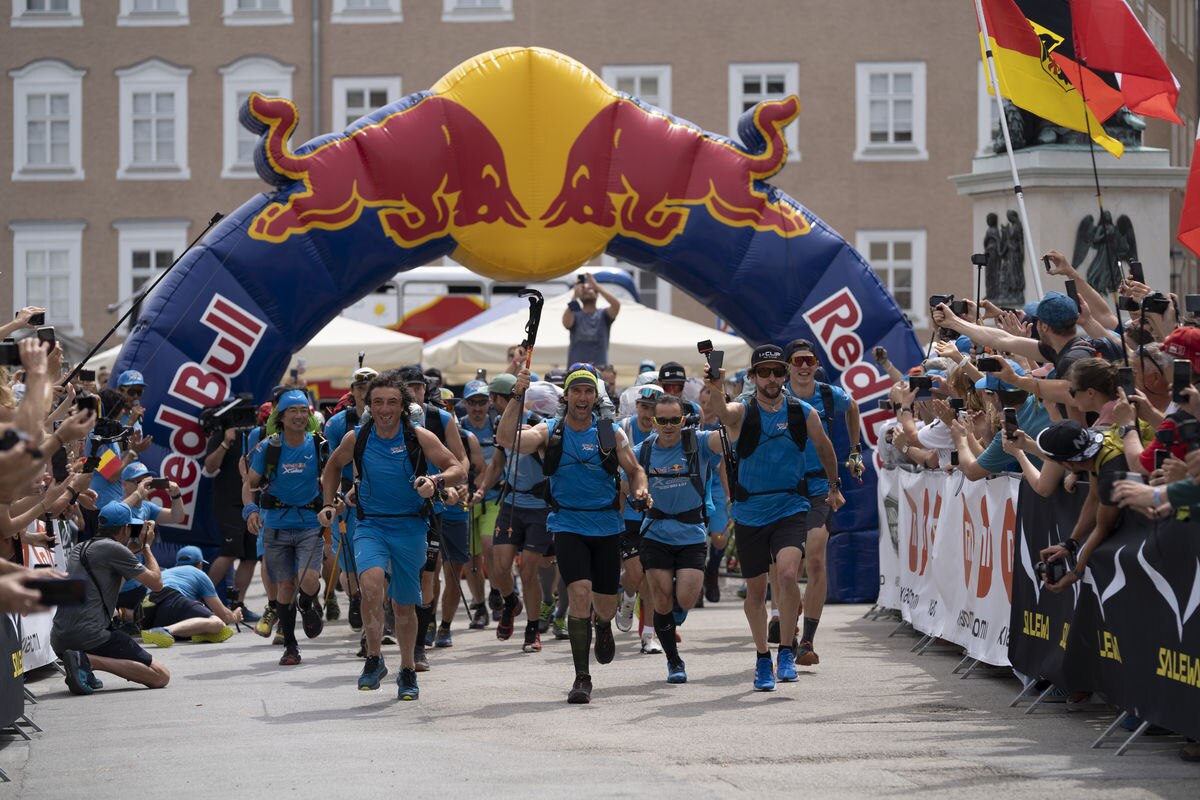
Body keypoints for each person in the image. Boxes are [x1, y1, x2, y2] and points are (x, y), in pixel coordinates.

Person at [496, 366, 649, 704]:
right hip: (567, 525)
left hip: (608, 526)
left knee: (604, 605)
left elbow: (635, 470)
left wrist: (640, 491)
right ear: (566, 396)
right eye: (576, 391)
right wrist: (516, 397)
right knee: (579, 593)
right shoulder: (551, 431)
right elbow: (508, 440)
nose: (582, 397)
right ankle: (582, 677)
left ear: (596, 397)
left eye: (588, 392)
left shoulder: (610, 434)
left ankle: (604, 625)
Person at [701, 344, 843, 691]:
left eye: (777, 371)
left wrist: (834, 486)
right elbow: (721, 410)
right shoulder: (743, 411)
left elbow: (825, 447)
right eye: (764, 372)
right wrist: (716, 385)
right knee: (755, 591)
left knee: (789, 573)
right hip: (750, 511)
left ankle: (786, 651)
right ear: (753, 377)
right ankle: (762, 656)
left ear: (784, 375)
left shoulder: (802, 411)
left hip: (790, 507)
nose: (772, 378)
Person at [320, 371, 465, 701]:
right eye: (378, 402)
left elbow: (458, 467)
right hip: (370, 525)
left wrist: (436, 481)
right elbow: (331, 467)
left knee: (403, 606)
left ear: (403, 406)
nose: (385, 409)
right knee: (370, 584)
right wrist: (328, 504)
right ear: (368, 406)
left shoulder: (419, 436)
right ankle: (373, 658)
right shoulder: (356, 437)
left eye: (392, 402)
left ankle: (407, 668)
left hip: (411, 527)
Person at [776, 338, 863, 666]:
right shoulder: (776, 396)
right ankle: (784, 620)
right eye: (797, 361)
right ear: (788, 366)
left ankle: (807, 640)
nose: (803, 367)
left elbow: (852, 407)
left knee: (814, 558)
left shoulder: (829, 395)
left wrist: (854, 450)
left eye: (809, 361)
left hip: (819, 486)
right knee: (785, 567)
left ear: (816, 364)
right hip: (781, 488)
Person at [631, 393, 726, 683]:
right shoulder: (643, 450)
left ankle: (673, 616)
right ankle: (674, 660)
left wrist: (719, 394)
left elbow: (728, 437)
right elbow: (629, 477)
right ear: (653, 421)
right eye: (663, 420)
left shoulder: (698, 442)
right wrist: (636, 493)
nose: (669, 425)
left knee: (684, 598)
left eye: (675, 419)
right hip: (655, 532)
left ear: (683, 420)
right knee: (661, 599)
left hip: (691, 532)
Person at [50, 501, 171, 696]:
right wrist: (147, 546)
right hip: (90, 636)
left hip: (60, 638)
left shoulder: (80, 548)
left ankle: (83, 665)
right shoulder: (114, 549)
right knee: (160, 676)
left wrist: (133, 550)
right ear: (124, 529)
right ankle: (88, 661)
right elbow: (156, 583)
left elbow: (112, 585)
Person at [243, 390, 327, 667]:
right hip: (276, 525)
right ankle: (290, 645)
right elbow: (250, 482)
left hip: (309, 525)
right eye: (294, 411)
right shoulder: (270, 447)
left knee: (309, 579)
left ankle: (308, 603)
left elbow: (331, 476)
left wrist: (332, 501)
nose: (300, 416)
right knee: (285, 586)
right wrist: (251, 510)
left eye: (305, 411)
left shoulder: (318, 444)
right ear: (282, 416)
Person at [477, 374, 555, 653]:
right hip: (511, 504)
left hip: (538, 507)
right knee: (498, 568)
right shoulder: (502, 425)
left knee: (528, 569)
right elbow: (498, 462)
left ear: (503, 398)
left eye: (493, 399)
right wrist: (483, 487)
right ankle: (511, 602)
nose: (492, 404)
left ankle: (532, 630)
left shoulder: (539, 423)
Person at [323, 367, 378, 632]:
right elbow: (331, 466)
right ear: (352, 391)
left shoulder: (389, 418)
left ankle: (378, 612)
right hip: (346, 499)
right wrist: (333, 497)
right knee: (349, 564)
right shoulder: (336, 424)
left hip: (378, 496)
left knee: (378, 561)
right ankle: (357, 600)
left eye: (370, 386)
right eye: (359, 387)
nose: (364, 391)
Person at [203, 400, 262, 625]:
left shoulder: (256, 436)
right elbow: (209, 467)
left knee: (250, 556)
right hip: (228, 503)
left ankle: (238, 604)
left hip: (250, 504)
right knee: (229, 551)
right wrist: (227, 442)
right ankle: (202, 601)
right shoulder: (220, 435)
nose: (246, 419)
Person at [615, 384, 664, 652]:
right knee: (634, 573)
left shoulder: (668, 433)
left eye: (654, 409)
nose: (649, 414)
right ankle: (628, 597)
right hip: (629, 517)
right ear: (638, 408)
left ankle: (648, 635)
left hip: (657, 516)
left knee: (653, 576)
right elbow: (617, 477)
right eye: (645, 408)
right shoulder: (624, 429)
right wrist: (635, 491)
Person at [457, 378, 501, 631]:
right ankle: (480, 606)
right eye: (472, 402)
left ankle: (496, 590)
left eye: (482, 401)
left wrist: (483, 487)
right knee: (470, 559)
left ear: (489, 402)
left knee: (490, 545)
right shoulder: (459, 428)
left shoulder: (496, 427)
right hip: (466, 500)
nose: (477, 407)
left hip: (494, 497)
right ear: (465, 403)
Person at [139, 545, 242, 647]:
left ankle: (197, 632)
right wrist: (234, 616)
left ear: (177, 563)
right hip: (172, 598)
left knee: (194, 622)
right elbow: (223, 615)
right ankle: (166, 630)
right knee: (218, 623)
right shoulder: (198, 573)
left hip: (147, 613)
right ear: (200, 564)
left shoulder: (165, 572)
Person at [563, 273, 621, 367]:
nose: (586, 291)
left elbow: (616, 305)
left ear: (597, 294)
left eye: (590, 289)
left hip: (599, 370)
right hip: (576, 370)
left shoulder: (603, 314)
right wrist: (575, 296)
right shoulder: (575, 314)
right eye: (583, 289)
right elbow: (566, 323)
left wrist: (596, 286)